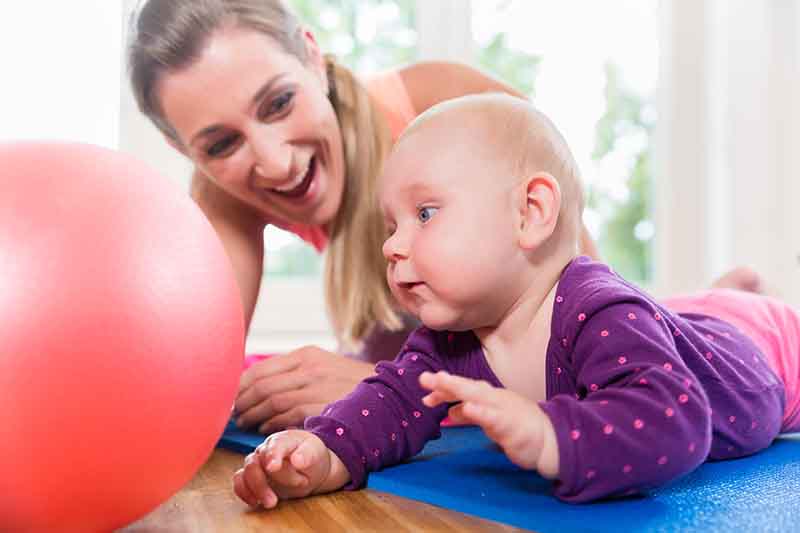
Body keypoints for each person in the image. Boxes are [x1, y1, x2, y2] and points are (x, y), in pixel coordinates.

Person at [232, 93, 799, 506]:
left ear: (530, 214)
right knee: (671, 316)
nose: (393, 246)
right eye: (391, 225)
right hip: (674, 320)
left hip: (767, 348)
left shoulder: (598, 311)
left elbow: (675, 423)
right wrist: (323, 452)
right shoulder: (449, 341)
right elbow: (389, 402)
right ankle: (724, 291)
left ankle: (740, 292)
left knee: (700, 319)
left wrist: (549, 432)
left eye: (425, 214)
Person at [127, 0, 603, 434]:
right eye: (221, 144)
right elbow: (192, 377)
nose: (276, 163)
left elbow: (588, 357)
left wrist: (385, 389)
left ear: (313, 57)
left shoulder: (448, 108)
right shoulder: (222, 194)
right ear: (183, 150)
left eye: (278, 103)